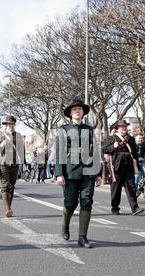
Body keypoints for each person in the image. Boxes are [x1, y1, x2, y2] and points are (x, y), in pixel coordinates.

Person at [56, 97, 102, 248]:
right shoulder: (63, 129)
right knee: (70, 202)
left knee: (87, 201)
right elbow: (59, 153)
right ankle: (65, 224)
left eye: (80, 109)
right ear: (70, 113)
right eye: (74, 109)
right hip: (70, 170)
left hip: (88, 171)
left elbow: (95, 151)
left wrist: (99, 172)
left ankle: (82, 237)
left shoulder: (89, 129)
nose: (77, 111)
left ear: (83, 112)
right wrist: (59, 174)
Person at [102, 120, 145, 216]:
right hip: (116, 165)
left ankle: (135, 208)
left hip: (128, 165)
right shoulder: (112, 138)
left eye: (125, 126)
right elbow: (104, 149)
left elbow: (134, 154)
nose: (124, 128)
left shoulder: (131, 139)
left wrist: (137, 167)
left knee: (131, 187)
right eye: (122, 127)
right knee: (116, 188)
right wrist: (113, 146)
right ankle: (115, 208)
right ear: (117, 128)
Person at [0, 115, 25, 218]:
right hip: (3, 163)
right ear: (6, 125)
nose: (10, 125)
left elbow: (22, 150)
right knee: (5, 186)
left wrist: (23, 164)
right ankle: (7, 209)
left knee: (12, 186)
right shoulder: (1, 134)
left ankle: (9, 206)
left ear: (14, 124)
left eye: (12, 124)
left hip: (14, 163)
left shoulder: (18, 135)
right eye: (8, 124)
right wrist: (1, 145)